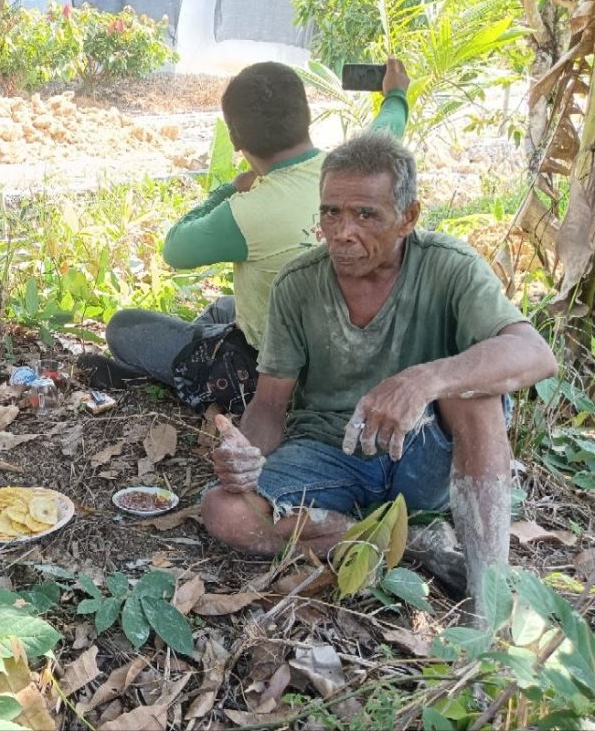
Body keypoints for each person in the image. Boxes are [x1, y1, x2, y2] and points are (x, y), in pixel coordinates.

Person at [200, 132, 557, 618]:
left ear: (407, 218)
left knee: (472, 392)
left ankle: (488, 601)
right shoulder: (298, 284)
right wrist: (244, 455)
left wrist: (424, 380)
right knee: (225, 510)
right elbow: (270, 405)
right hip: (329, 449)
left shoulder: (449, 267)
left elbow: (534, 353)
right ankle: (409, 546)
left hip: (422, 453)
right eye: (331, 213)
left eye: (366, 215)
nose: (342, 232)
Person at [77, 59, 410, 415]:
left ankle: (184, 382)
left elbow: (175, 249)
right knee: (223, 307)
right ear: (306, 115)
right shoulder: (356, 173)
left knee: (122, 327)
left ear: (235, 139)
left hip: (272, 373)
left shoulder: (246, 211)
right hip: (346, 359)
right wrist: (395, 94)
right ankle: (185, 375)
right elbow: (387, 128)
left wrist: (230, 190)